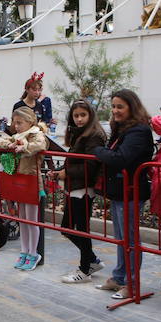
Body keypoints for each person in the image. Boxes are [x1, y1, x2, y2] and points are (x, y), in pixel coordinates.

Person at [93, 89, 153, 300]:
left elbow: (120, 158)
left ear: (131, 107)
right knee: (121, 239)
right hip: (120, 191)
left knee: (130, 240)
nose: (115, 111)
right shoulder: (122, 128)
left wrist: (98, 151)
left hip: (132, 191)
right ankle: (120, 277)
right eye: (114, 106)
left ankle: (132, 284)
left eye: (120, 106)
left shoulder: (139, 131)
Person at [53, 100, 107, 283]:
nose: (79, 119)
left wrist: (65, 172)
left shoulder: (94, 135)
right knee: (67, 228)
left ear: (90, 115)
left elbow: (90, 166)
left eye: (83, 115)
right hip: (74, 187)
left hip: (84, 188)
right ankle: (91, 260)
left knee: (82, 229)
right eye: (76, 116)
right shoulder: (80, 133)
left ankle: (85, 270)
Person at [0, 106, 48, 271]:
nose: (16, 126)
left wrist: (23, 147)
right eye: (14, 123)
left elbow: (39, 145)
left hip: (32, 181)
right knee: (23, 220)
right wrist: (13, 144)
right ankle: (24, 252)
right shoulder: (18, 136)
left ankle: (33, 253)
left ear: (30, 121)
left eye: (19, 122)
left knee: (32, 222)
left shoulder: (36, 134)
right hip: (20, 181)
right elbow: (0, 141)